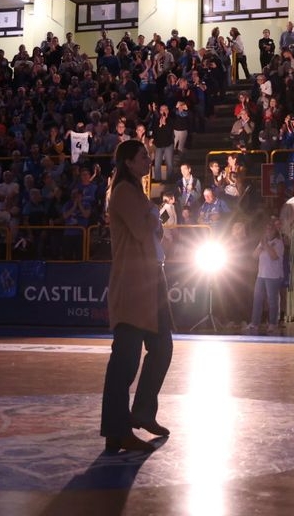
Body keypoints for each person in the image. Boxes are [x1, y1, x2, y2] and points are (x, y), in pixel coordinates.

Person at [99, 139, 172, 454]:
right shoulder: (125, 193)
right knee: (125, 362)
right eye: (143, 156)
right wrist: (154, 213)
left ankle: (142, 412)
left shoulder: (138, 194)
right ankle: (117, 431)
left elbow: (152, 232)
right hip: (132, 284)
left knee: (162, 346)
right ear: (128, 162)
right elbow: (144, 232)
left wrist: (153, 213)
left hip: (151, 279)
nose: (148, 160)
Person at [247, 221, 285, 334]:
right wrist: (261, 246)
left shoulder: (278, 243)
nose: (268, 231)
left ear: (274, 231)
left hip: (273, 275)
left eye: (270, 229)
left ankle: (273, 323)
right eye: (266, 229)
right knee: (257, 299)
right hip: (261, 275)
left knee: (272, 300)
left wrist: (267, 246)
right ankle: (255, 323)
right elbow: (254, 256)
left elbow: (274, 257)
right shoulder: (262, 242)